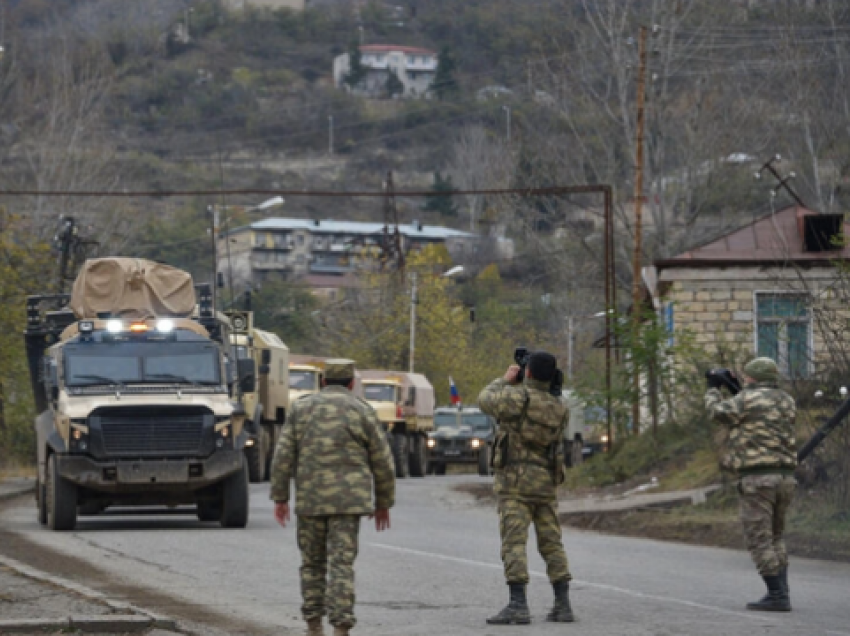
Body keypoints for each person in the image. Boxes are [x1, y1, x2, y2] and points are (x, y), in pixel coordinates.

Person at [270, 359, 396, 636]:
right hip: (349, 503)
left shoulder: (301, 409)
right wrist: (383, 502)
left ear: (322, 381)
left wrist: (280, 497)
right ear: (352, 383)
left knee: (312, 564)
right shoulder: (363, 411)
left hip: (311, 500)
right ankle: (341, 627)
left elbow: (283, 456)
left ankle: (313, 626)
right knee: (342, 564)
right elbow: (383, 461)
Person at [478, 351, 573, 625]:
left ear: (527, 372)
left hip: (515, 483)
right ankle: (562, 604)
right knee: (552, 542)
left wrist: (505, 380)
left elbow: (485, 400)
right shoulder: (559, 406)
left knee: (514, 542)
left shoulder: (516, 397)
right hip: (545, 483)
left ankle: (518, 604)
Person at [705, 356, 797, 612]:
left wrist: (713, 387)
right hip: (785, 477)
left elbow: (717, 413)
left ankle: (777, 595)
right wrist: (737, 387)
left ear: (752, 378)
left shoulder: (744, 400)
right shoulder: (787, 401)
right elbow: (756, 410)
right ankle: (783, 590)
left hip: (758, 478)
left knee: (759, 539)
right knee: (776, 536)